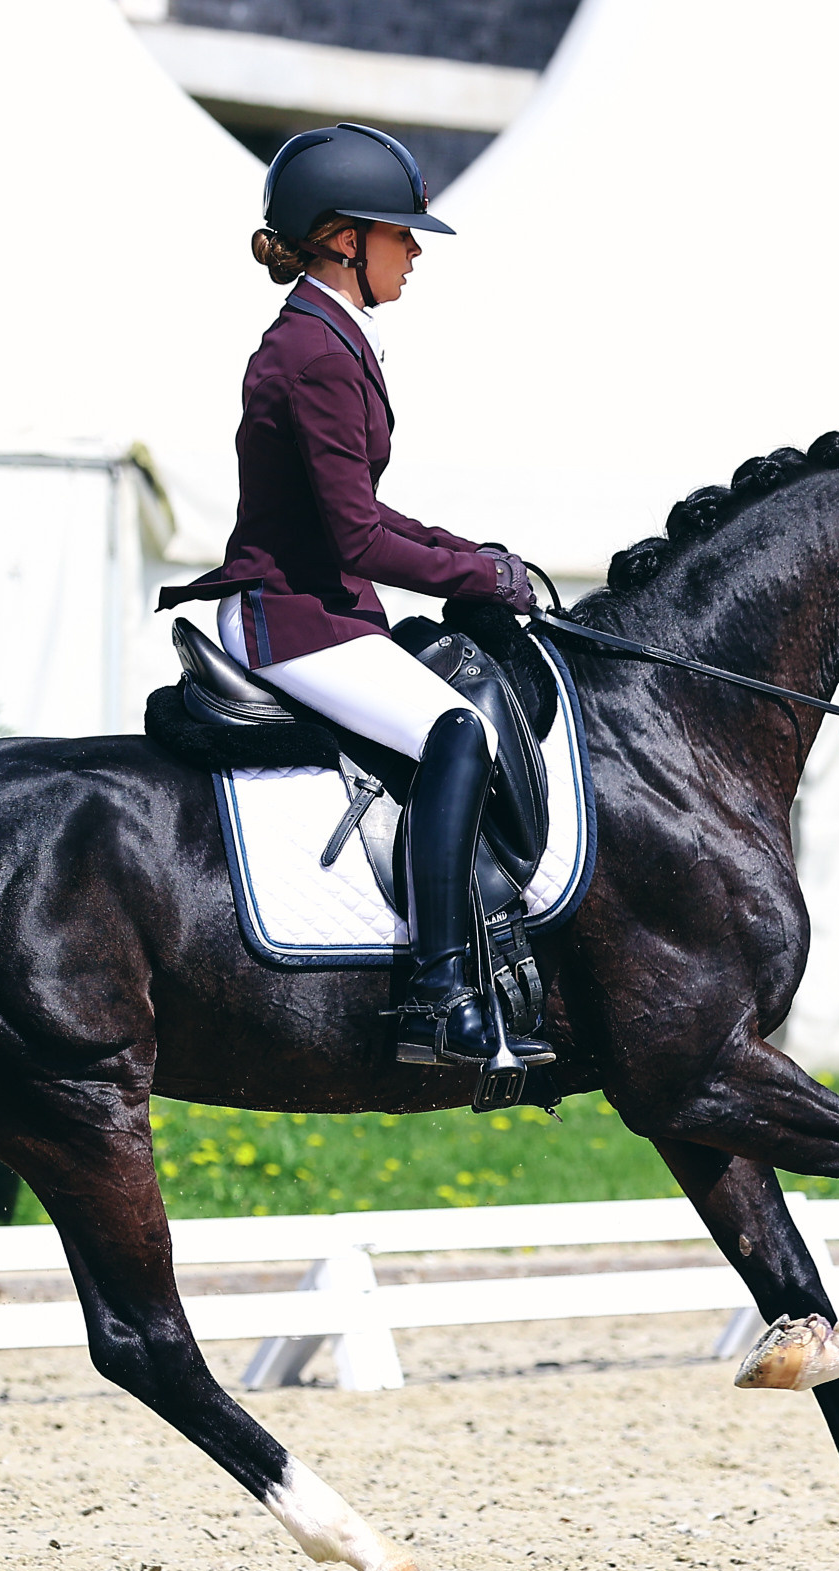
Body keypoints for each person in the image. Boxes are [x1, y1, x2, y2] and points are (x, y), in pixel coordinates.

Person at [159, 123, 549, 1074]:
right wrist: (482, 577)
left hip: (319, 609)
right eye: (399, 233)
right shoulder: (313, 353)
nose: (414, 251)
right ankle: (440, 989)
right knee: (459, 730)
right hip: (293, 618)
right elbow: (359, 540)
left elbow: (364, 511)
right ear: (345, 239)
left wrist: (480, 556)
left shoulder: (330, 336)